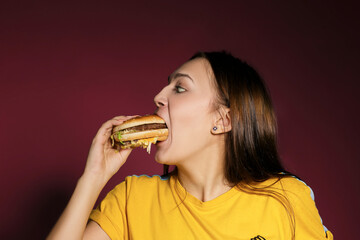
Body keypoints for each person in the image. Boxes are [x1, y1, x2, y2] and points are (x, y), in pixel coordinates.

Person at [47, 51, 333, 240]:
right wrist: (92, 179)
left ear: (223, 120)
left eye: (180, 88)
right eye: (166, 86)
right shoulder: (132, 199)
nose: (158, 96)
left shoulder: (286, 199)